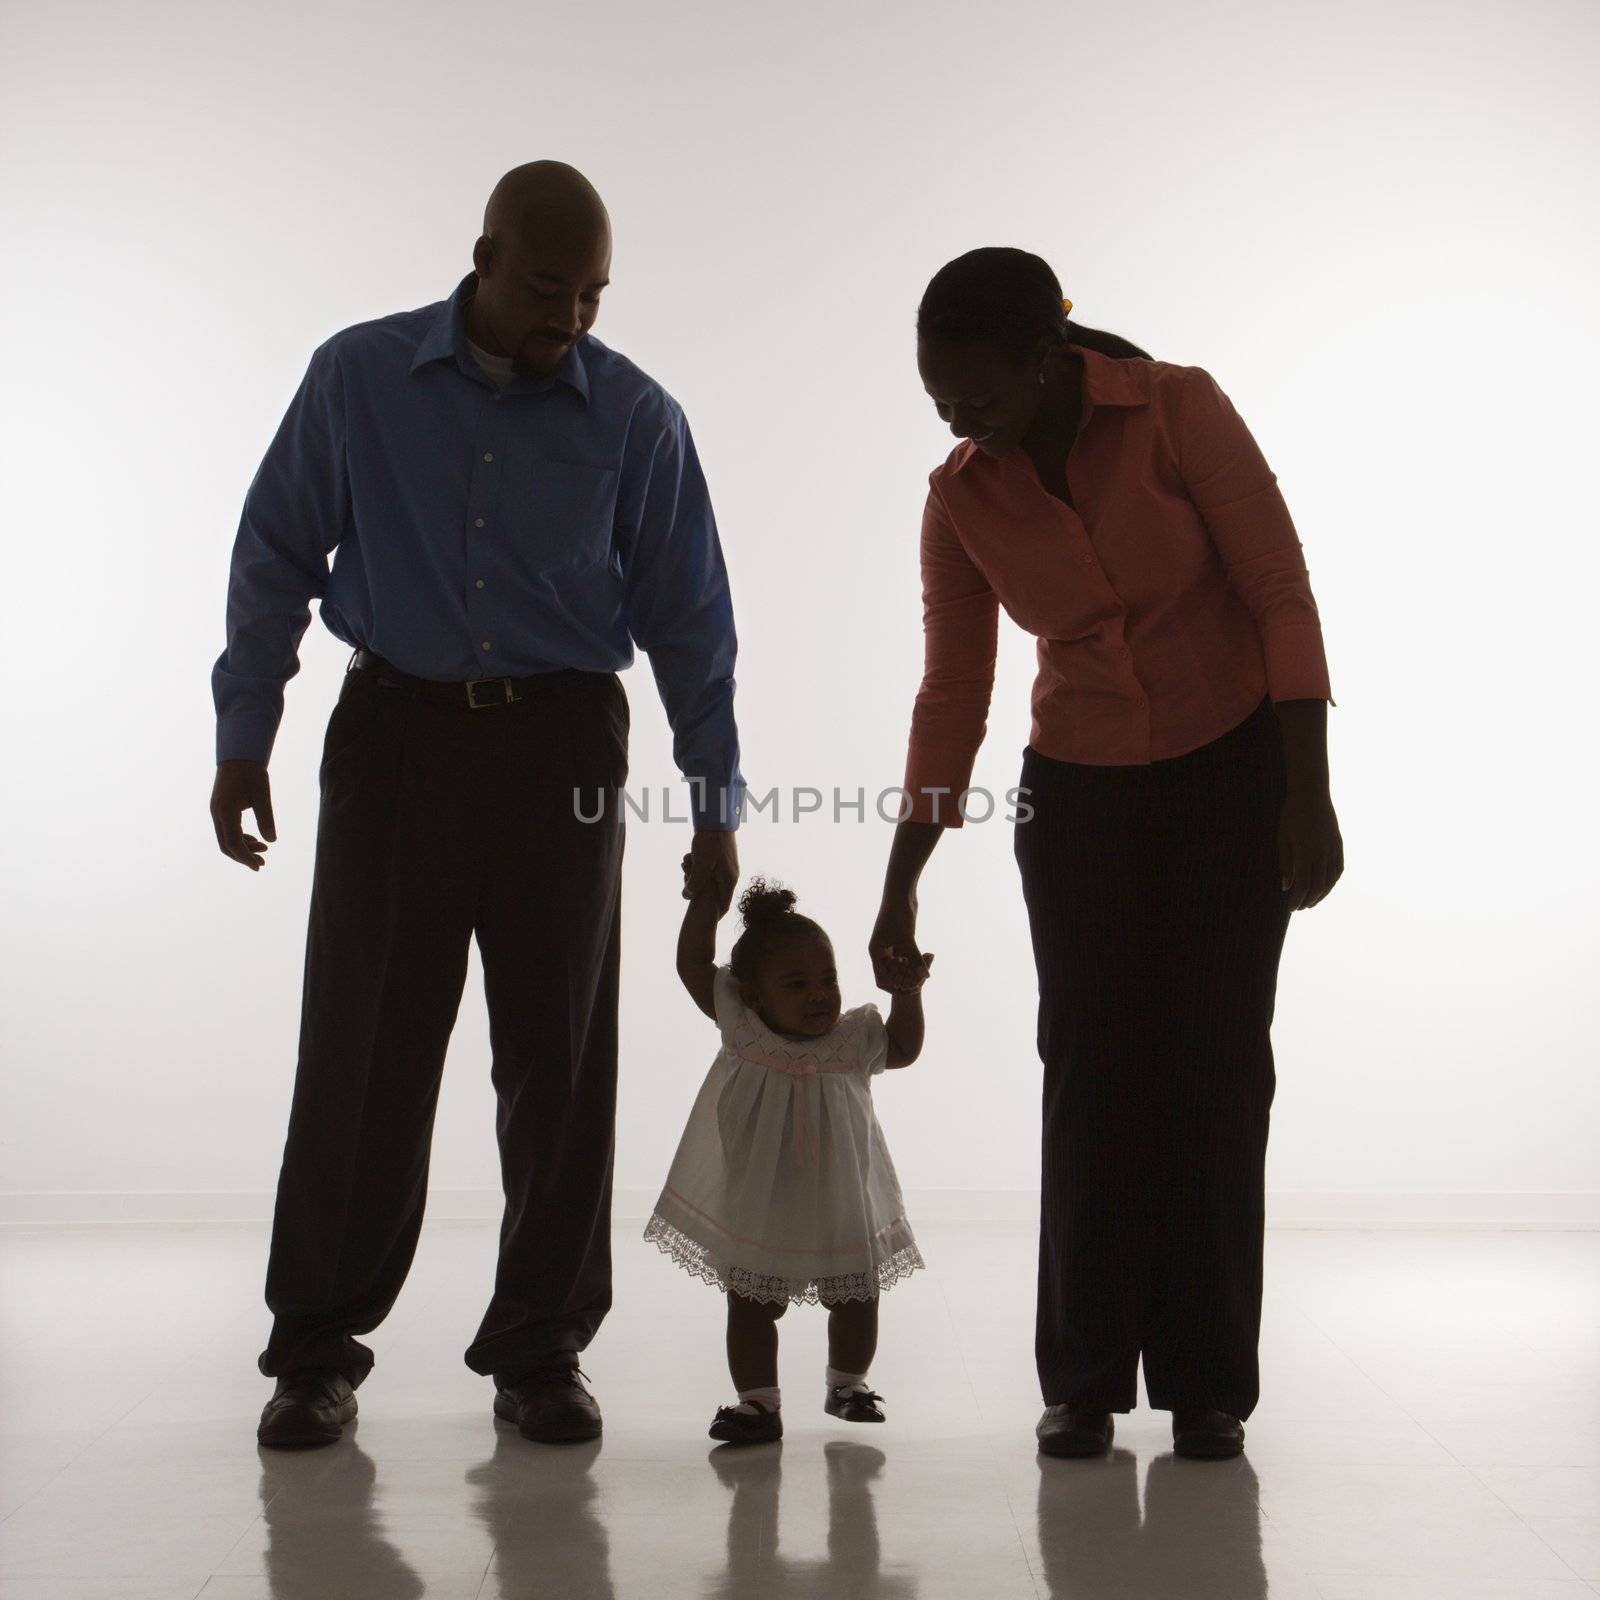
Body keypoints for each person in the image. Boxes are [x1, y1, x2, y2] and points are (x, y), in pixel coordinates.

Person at [208, 160, 746, 1449]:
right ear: (484, 256)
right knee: (365, 1050)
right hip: (394, 732)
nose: (570, 319)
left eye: (595, 297)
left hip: (563, 741)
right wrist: (245, 738)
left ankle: (542, 1350)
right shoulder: (357, 378)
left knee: (557, 1057)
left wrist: (714, 802)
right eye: (550, 288)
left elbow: (690, 618)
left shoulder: (637, 417)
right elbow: (276, 550)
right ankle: (316, 1352)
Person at [872, 247, 1342, 1462]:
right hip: (1077, 794)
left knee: (1217, 1066)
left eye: (974, 395)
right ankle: (1080, 1379)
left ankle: (1206, 1389)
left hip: (1229, 769)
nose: (957, 422)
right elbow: (951, 694)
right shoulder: (960, 496)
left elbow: (1280, 593)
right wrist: (902, 879)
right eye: (937, 401)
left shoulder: (1178, 408)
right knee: (1090, 1068)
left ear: (1046, 358)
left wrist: (1309, 791)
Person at [644, 874, 931, 1446]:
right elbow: (694, 965)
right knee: (751, 1302)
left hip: (841, 1195)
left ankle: (847, 1385)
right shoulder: (743, 1027)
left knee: (856, 1295)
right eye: (796, 984)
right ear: (753, 994)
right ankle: (758, 1404)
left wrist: (907, 993)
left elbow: (903, 1049)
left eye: (828, 980)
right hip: (761, 1197)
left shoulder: (852, 1039)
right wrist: (705, 906)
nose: (819, 995)